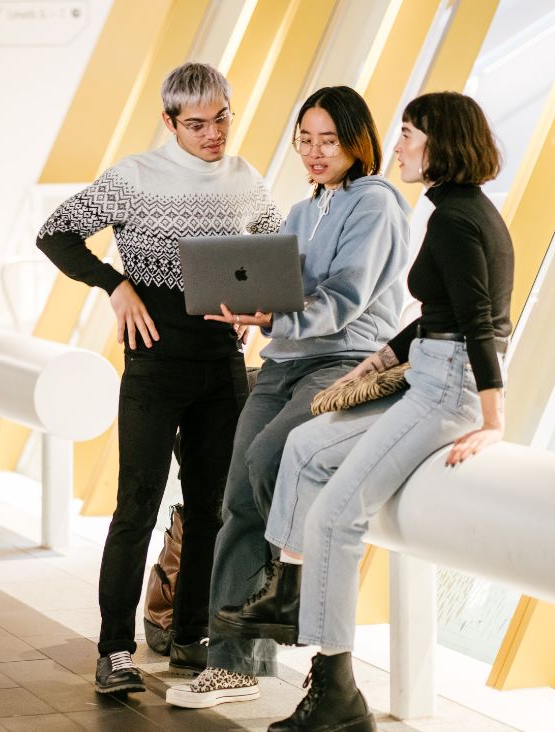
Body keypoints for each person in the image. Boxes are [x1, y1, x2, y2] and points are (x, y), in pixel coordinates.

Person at [259, 92, 512, 732]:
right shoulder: (455, 210)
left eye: (406, 134)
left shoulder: (457, 220)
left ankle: (338, 690)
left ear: (438, 143)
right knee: (307, 447)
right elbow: (440, 312)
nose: (396, 146)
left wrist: (494, 421)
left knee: (339, 515)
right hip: (427, 368)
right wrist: (379, 358)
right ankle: (287, 597)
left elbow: (482, 325)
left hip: (447, 387)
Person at [36, 62, 281, 695]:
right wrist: (115, 285)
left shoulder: (246, 180)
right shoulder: (135, 176)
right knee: (136, 507)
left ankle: (188, 636)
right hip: (154, 362)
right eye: (196, 124)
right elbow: (55, 234)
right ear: (169, 122)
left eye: (222, 117)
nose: (213, 133)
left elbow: (270, 259)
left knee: (210, 512)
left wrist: (255, 311)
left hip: (221, 363)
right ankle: (114, 650)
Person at [165, 86, 411, 709]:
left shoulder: (376, 203)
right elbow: (286, 287)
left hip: (343, 361)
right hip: (281, 363)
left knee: (271, 457)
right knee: (235, 497)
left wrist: (274, 320)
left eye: (329, 140)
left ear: (359, 139)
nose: (315, 152)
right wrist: (254, 310)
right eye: (305, 140)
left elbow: (345, 299)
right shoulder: (304, 211)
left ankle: (295, 597)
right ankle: (235, 661)